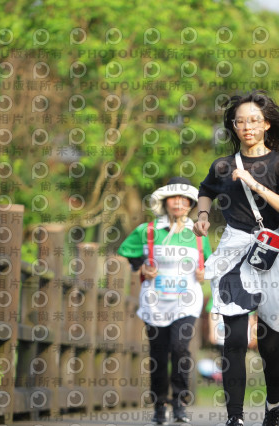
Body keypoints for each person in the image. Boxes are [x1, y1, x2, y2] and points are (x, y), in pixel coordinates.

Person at [193, 90, 279, 426]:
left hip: (270, 250)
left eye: (254, 121)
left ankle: (274, 409)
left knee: (269, 344)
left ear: (266, 124)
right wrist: (202, 216)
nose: (247, 127)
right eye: (241, 121)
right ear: (234, 126)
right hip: (234, 252)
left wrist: (254, 184)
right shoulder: (223, 165)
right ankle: (235, 418)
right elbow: (206, 189)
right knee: (233, 340)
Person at [117, 177, 212, 425]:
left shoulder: (198, 233)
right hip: (155, 302)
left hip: (186, 302)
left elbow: (210, 264)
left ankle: (179, 402)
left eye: (184, 199)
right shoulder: (147, 231)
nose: (178, 203)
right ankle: (160, 405)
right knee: (158, 354)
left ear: (191, 204)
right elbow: (127, 254)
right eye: (174, 198)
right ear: (165, 201)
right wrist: (142, 268)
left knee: (180, 348)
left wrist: (204, 273)